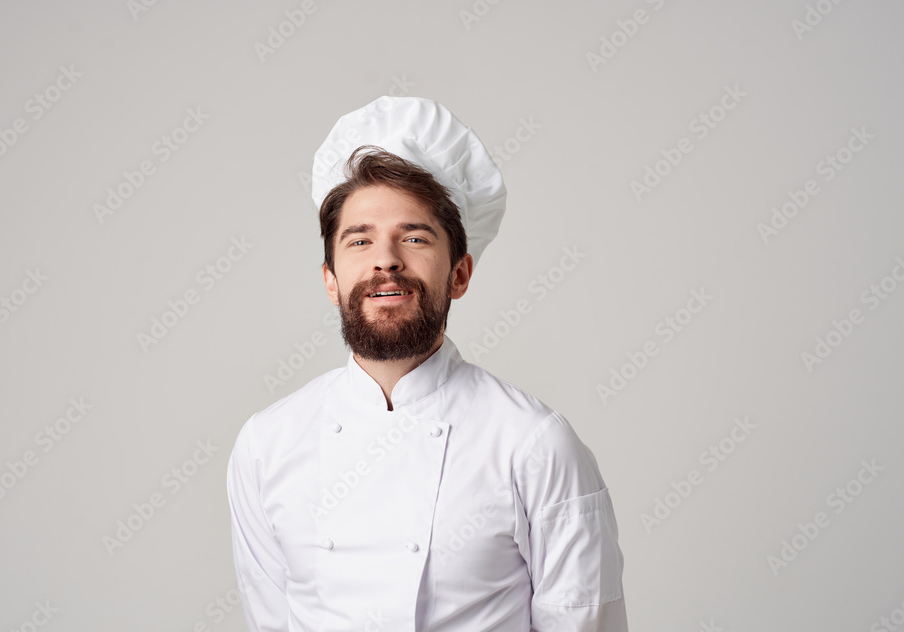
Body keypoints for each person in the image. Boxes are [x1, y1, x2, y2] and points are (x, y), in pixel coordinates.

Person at [226, 96, 628, 631]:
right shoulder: (266, 445)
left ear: (459, 275)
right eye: (360, 240)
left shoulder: (535, 445)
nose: (385, 260)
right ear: (330, 280)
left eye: (414, 238)